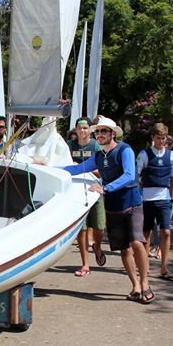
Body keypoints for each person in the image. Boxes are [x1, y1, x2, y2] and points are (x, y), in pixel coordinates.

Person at [61, 116, 152, 303]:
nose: (100, 134)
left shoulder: (124, 150)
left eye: (104, 131)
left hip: (132, 203)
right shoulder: (99, 156)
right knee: (124, 249)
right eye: (98, 132)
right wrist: (48, 168)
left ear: (112, 133)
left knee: (136, 242)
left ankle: (145, 283)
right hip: (114, 207)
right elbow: (76, 169)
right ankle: (135, 285)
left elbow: (129, 175)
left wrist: (105, 188)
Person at [136, 123, 173, 281]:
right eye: (158, 138)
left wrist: (172, 193)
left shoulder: (171, 156)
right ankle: (144, 267)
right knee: (146, 233)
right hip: (146, 198)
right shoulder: (144, 155)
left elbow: (172, 176)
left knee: (166, 232)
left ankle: (164, 268)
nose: (161, 141)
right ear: (152, 138)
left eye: (164, 138)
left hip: (164, 198)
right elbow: (137, 175)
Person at [67, 117, 106, 277]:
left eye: (85, 128)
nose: (82, 131)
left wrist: (84, 169)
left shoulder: (95, 146)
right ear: (75, 130)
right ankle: (85, 264)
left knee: (99, 226)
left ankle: (97, 245)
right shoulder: (69, 146)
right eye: (79, 128)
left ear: (89, 130)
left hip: (94, 189)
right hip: (75, 191)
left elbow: (102, 170)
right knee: (81, 230)